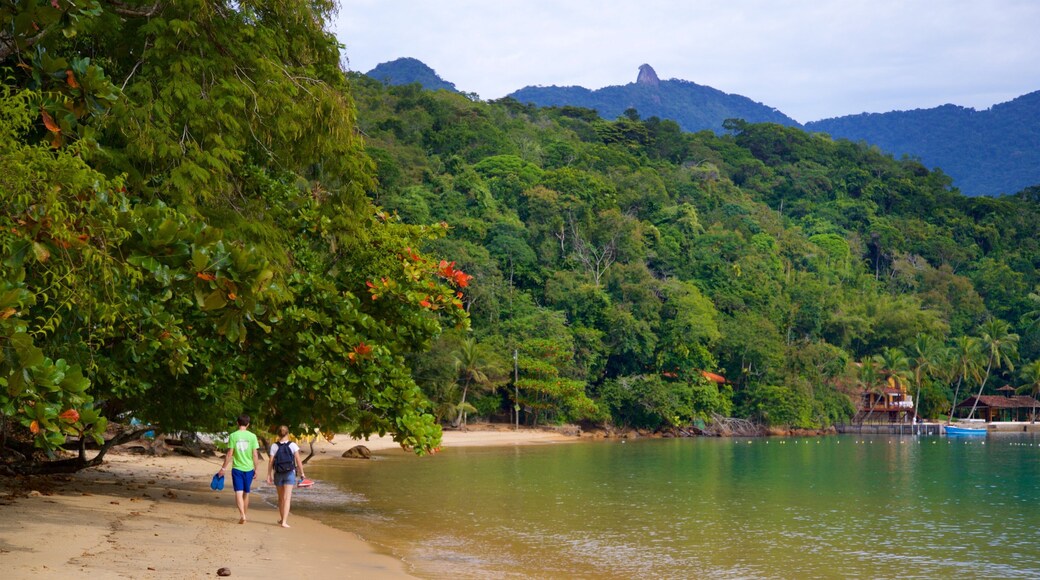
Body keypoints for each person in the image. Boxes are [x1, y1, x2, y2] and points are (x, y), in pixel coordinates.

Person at [218, 414, 261, 524]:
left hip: (237, 468)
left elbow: (229, 453)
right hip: (249, 469)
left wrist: (223, 468)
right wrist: (256, 469)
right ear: (248, 424)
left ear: (237, 423)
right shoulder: (252, 436)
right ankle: (244, 515)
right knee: (246, 493)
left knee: (238, 492)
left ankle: (242, 515)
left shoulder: (233, 436)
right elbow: (255, 454)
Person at [266, 425, 306, 528]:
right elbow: (298, 460)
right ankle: (284, 521)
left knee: (280, 498)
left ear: (278, 434)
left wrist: (268, 474)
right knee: (287, 498)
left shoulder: (274, 446)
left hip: (278, 474)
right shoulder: (293, 445)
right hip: (289, 473)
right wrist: (302, 473)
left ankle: (282, 519)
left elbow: (271, 461)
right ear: (288, 433)